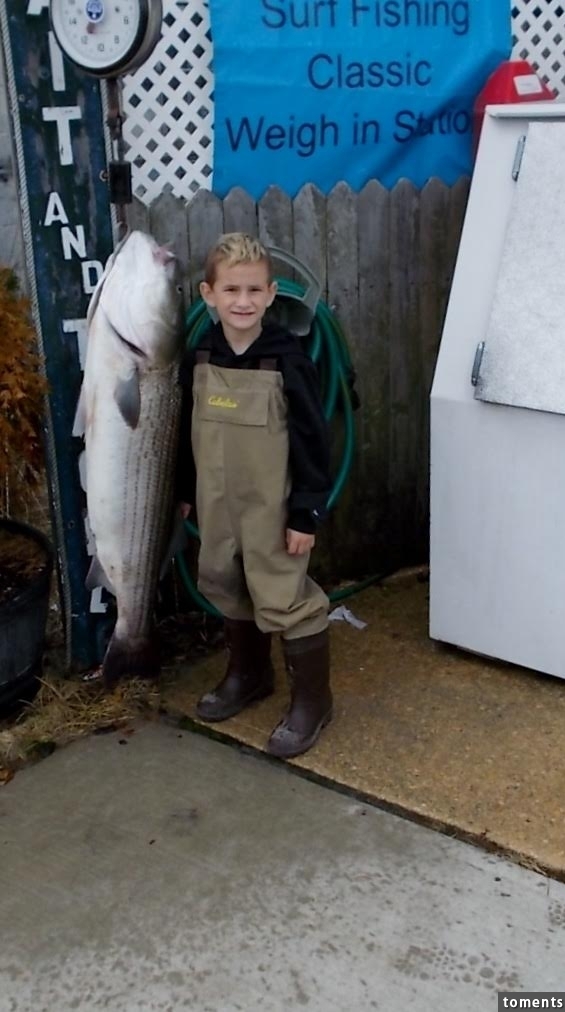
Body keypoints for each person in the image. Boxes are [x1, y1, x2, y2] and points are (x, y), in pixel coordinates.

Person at [176, 232, 332, 759]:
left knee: (283, 595)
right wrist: (182, 492)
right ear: (208, 294)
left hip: (272, 508)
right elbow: (180, 430)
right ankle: (249, 674)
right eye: (231, 290)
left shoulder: (285, 358)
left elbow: (313, 439)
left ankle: (314, 702)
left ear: (270, 296)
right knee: (224, 579)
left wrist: (306, 512)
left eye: (253, 291)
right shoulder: (198, 355)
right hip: (217, 504)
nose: (242, 301)